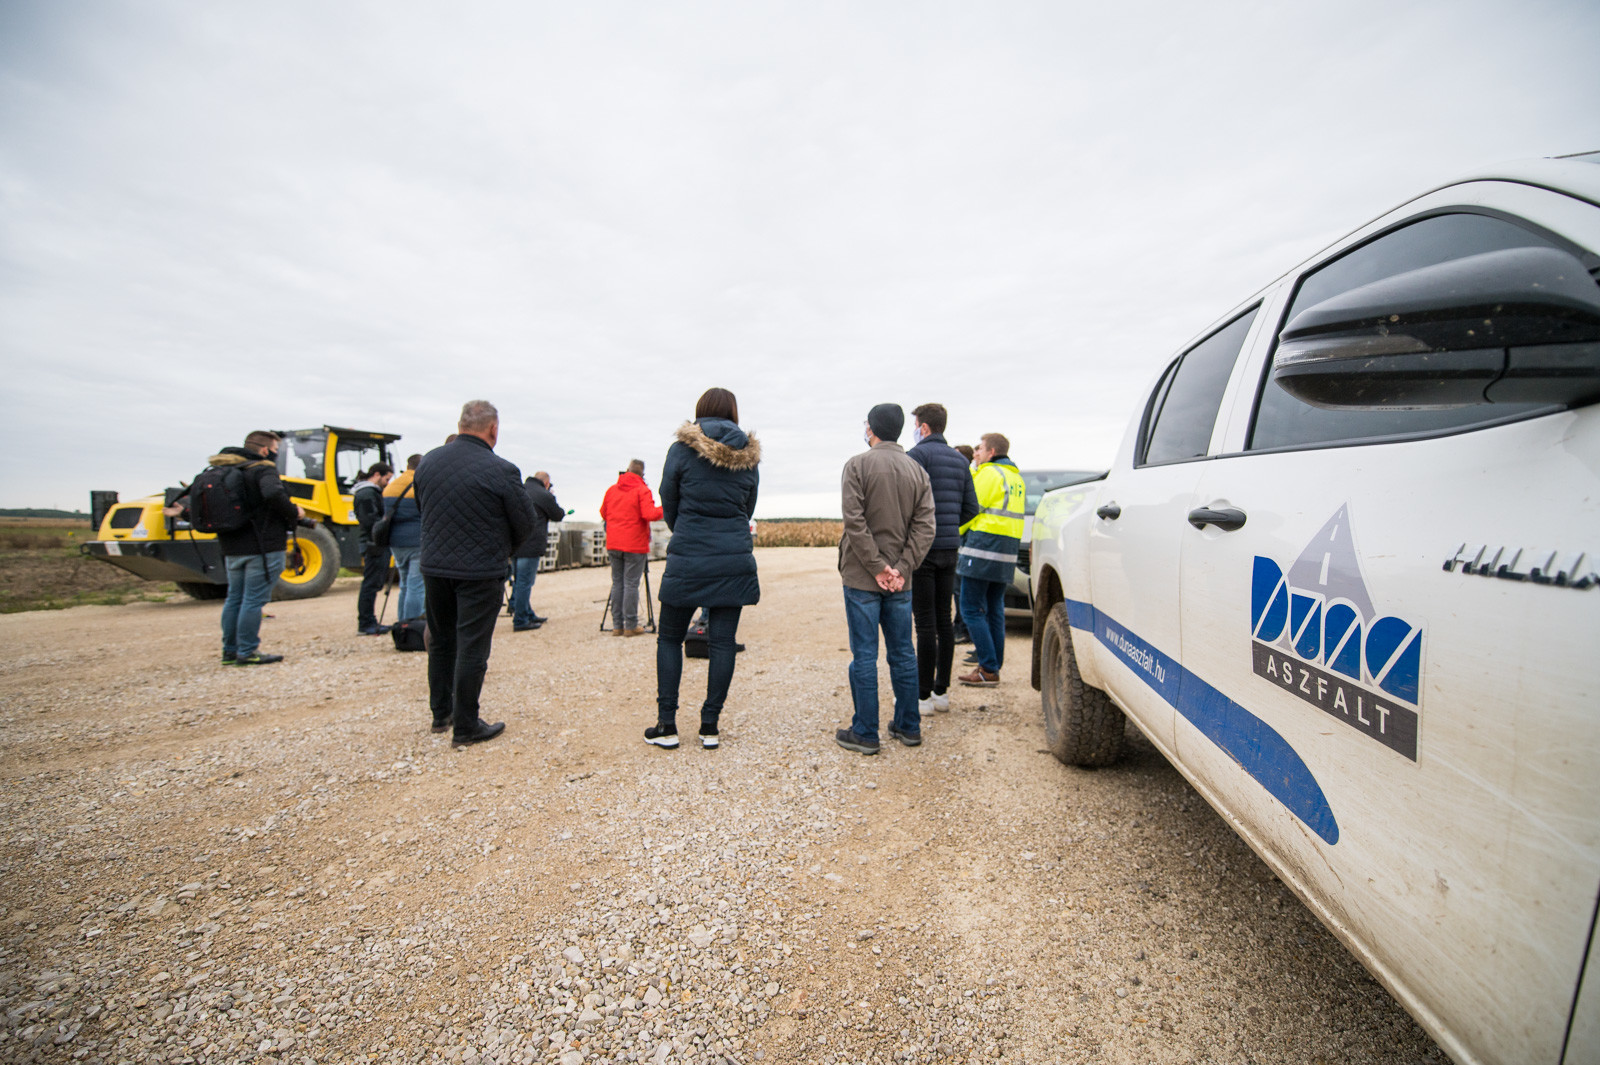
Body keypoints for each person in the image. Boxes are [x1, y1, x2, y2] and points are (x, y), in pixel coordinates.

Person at [413, 400, 536, 747]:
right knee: (472, 646)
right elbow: (525, 522)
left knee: (440, 640)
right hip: (480, 570)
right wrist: (503, 549)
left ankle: (441, 714)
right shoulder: (502, 469)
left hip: (435, 566)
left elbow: (424, 509)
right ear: (493, 429)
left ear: (460, 424)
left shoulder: (428, 462)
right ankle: (466, 725)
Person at [646, 387, 761, 750]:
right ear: (733, 413)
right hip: (733, 555)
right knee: (723, 642)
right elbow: (748, 507)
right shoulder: (748, 456)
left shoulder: (681, 449)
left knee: (669, 638)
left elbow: (668, 498)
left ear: (700, 410)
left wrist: (685, 529)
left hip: (689, 554)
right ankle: (710, 726)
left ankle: (667, 725)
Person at [835, 403, 935, 755]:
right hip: (900, 581)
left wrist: (877, 567)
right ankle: (908, 725)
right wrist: (902, 568)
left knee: (865, 655)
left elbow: (854, 521)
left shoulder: (857, 465)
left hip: (862, 577)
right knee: (903, 653)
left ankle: (865, 731)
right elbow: (925, 527)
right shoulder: (917, 471)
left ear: (872, 429)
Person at [163, 430, 303, 666]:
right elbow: (273, 493)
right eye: (275, 451)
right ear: (265, 450)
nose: (275, 455)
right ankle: (247, 651)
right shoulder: (262, 469)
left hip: (231, 548)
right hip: (263, 546)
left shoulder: (222, 472)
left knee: (235, 599)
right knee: (253, 601)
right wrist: (294, 512)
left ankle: (230, 651)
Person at [906, 404, 980, 716]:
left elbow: (907, 502)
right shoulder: (960, 460)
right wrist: (949, 526)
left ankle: (922, 696)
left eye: (916, 425)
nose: (914, 430)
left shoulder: (916, 456)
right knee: (944, 621)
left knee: (924, 623)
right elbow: (972, 508)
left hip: (923, 550)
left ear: (923, 428)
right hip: (950, 548)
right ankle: (941, 692)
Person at [957, 433, 1026, 687]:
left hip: (983, 548)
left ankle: (987, 667)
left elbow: (970, 509)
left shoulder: (988, 473)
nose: (977, 453)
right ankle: (994, 665)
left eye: (981, 448)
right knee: (995, 608)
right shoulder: (1016, 478)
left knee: (970, 607)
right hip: (1006, 550)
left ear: (992, 452)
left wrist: (956, 532)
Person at [600, 459, 663, 636]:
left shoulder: (612, 490)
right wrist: (666, 507)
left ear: (627, 471)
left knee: (617, 583)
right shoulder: (642, 490)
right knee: (631, 584)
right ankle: (630, 624)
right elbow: (650, 514)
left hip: (614, 543)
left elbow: (603, 513)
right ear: (642, 474)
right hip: (634, 544)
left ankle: (617, 625)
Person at [511, 471, 565, 631]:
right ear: (546, 483)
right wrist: (551, 497)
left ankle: (527, 613)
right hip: (531, 544)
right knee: (525, 583)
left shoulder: (519, 489)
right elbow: (558, 515)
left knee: (518, 581)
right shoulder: (543, 494)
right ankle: (520, 619)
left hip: (514, 544)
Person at [352, 462, 394, 634]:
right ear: (377, 474)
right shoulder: (367, 494)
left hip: (375, 542)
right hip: (374, 544)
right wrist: (386, 522)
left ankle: (369, 621)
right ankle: (366, 623)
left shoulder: (369, 492)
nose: (387, 483)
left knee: (373, 584)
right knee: (370, 584)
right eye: (387, 479)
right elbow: (370, 520)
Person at [383, 454, 425, 620]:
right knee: (416, 585)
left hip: (395, 542)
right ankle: (411, 623)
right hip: (416, 540)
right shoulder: (419, 485)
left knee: (404, 584)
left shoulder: (391, 487)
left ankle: (402, 621)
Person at [951, 443, 976, 645]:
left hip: (964, 539)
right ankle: (959, 625)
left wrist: (953, 527)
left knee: (960, 589)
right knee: (957, 588)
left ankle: (963, 628)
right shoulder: (965, 476)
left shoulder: (970, 477)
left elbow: (971, 510)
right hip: (960, 538)